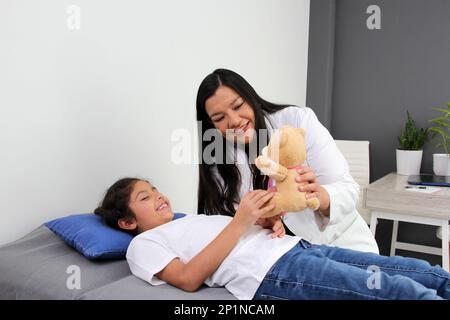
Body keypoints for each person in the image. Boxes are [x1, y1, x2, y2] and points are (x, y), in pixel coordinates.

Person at [94, 178, 449, 300]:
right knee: (390, 290)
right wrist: (240, 221)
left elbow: (236, 237)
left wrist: (264, 224)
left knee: (416, 271)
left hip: (296, 248)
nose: (159, 196)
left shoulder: (190, 219)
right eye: (145, 197)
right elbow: (188, 280)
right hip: (271, 273)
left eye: (155, 189)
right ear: (127, 222)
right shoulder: (142, 246)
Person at [196, 68, 378, 254]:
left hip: (342, 243)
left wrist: (318, 195)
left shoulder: (296, 121)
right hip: (283, 257)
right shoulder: (217, 160)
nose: (234, 121)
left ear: (251, 98)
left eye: (237, 106)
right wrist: (260, 222)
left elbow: (349, 190)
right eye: (219, 118)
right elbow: (230, 224)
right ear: (212, 125)